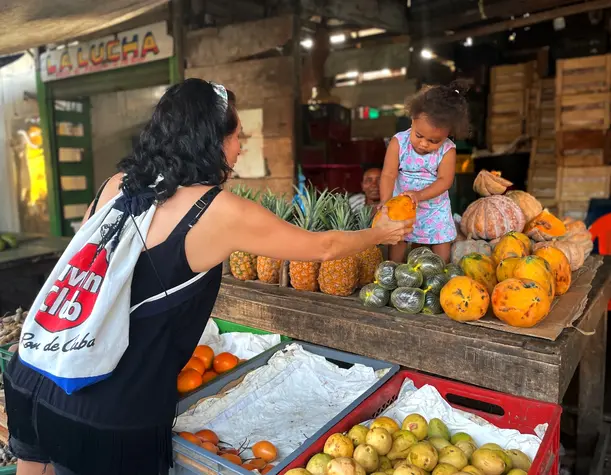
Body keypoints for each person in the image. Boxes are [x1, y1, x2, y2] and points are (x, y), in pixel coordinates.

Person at [4, 79, 413, 475]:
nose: (240, 148)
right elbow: (323, 247)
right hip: (107, 408)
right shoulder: (218, 211)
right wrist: (378, 234)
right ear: (212, 140)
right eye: (237, 137)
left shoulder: (116, 185)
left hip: (35, 371)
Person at [379, 81, 470, 263]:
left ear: (448, 134)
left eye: (433, 141)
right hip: (403, 203)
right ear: (412, 119)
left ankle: (441, 270)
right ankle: (393, 268)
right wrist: (385, 201)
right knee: (398, 237)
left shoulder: (447, 150)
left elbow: (444, 181)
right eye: (419, 135)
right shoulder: (399, 142)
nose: (424, 144)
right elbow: (388, 174)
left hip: (435, 207)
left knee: (441, 240)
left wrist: (419, 195)